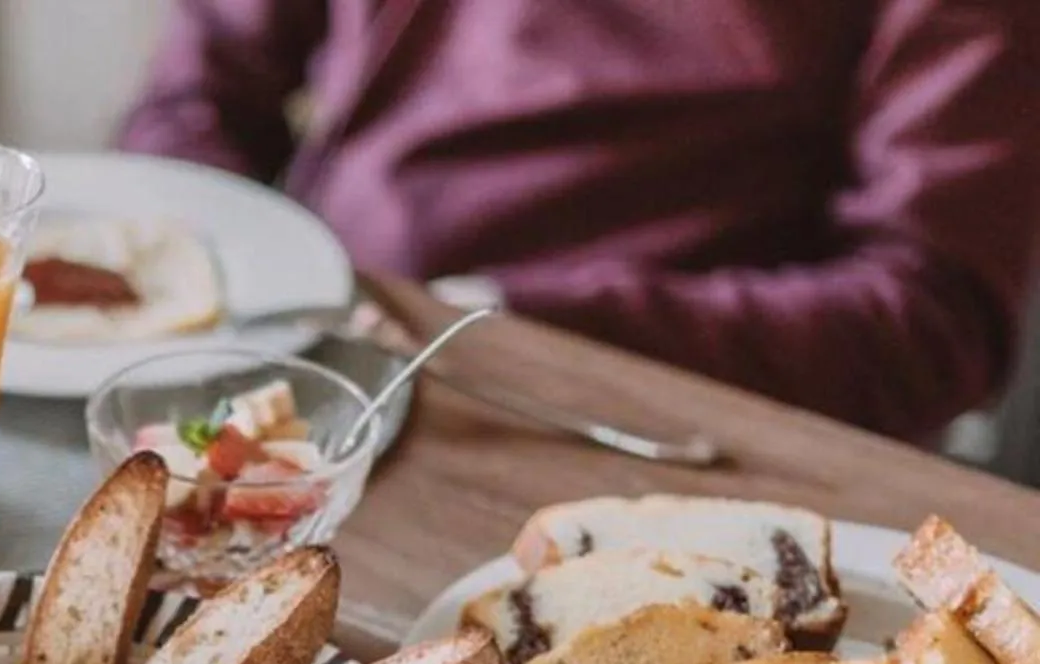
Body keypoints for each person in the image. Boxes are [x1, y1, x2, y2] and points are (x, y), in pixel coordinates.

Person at [117, 1, 1040, 441]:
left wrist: (501, 323)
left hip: (619, 432)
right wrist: (197, 266)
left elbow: (933, 319)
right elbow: (201, 85)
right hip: (288, 366)